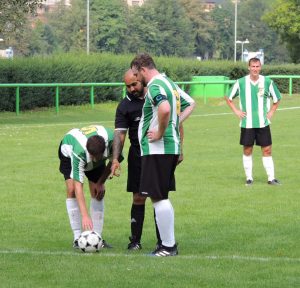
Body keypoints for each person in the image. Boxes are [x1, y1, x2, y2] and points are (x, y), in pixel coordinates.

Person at [127, 53, 195, 256]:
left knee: (158, 197)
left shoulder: (156, 85)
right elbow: (191, 103)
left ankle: (168, 246)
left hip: (158, 149)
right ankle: (167, 244)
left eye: (137, 75)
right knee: (160, 196)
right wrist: (175, 123)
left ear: (143, 69)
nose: (137, 79)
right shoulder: (170, 83)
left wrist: (160, 132)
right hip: (169, 148)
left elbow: (164, 109)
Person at [225, 57, 282, 186]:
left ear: (260, 67)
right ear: (249, 67)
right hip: (247, 123)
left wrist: (272, 111)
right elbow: (228, 97)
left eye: (257, 66)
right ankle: (249, 178)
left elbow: (277, 98)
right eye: (253, 66)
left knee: (267, 150)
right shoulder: (241, 82)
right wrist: (236, 111)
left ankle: (271, 178)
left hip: (263, 123)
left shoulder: (267, 82)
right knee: (247, 150)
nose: (255, 69)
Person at [58, 124, 116, 249]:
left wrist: (101, 182)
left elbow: (113, 161)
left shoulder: (112, 142)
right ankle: (77, 237)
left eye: (96, 157)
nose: (92, 159)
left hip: (96, 151)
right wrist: (85, 216)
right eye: (91, 156)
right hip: (68, 151)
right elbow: (79, 186)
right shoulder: (79, 153)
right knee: (72, 189)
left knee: (98, 193)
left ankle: (97, 237)